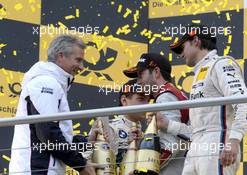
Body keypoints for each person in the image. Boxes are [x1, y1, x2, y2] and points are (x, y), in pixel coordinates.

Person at [156, 25, 247, 175]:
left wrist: (234, 140)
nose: (180, 54)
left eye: (182, 47)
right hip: (197, 146)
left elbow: (246, 103)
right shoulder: (199, 74)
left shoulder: (221, 64)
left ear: (196, 40)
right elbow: (198, 131)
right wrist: (168, 125)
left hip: (218, 142)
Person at [9, 35, 97, 175]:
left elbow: (53, 134)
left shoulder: (51, 82)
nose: (81, 67)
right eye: (78, 60)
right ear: (61, 56)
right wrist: (80, 164)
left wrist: (86, 142)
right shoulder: (45, 82)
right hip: (37, 171)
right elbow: (48, 133)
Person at [123, 53, 190, 175]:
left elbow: (170, 147)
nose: (138, 82)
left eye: (140, 75)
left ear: (156, 72)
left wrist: (144, 170)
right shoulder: (169, 93)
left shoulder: (165, 97)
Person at [89, 79, 149, 173]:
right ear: (124, 101)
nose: (146, 104)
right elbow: (93, 163)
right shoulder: (107, 127)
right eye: (141, 99)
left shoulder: (146, 135)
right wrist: (127, 147)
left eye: (148, 100)